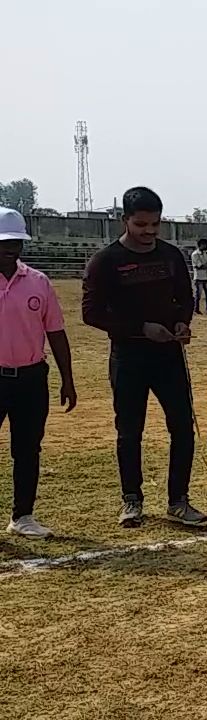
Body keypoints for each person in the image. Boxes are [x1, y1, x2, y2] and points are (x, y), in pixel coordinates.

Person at [82, 187, 207, 527]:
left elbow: (185, 296)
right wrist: (140, 328)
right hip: (129, 358)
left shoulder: (170, 256)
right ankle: (132, 500)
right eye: (141, 225)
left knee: (182, 427)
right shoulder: (105, 262)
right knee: (129, 431)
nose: (149, 232)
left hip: (169, 356)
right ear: (124, 220)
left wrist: (182, 321)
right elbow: (91, 313)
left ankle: (179, 500)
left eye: (155, 224)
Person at [0, 208, 76, 538]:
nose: (11, 249)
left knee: (28, 449)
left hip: (31, 379)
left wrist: (67, 379)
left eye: (16, 242)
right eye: (4, 243)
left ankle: (23, 516)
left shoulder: (38, 282)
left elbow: (56, 332)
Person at [190, 238, 207, 315]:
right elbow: (199, 266)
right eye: (204, 244)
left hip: (206, 277)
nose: (206, 246)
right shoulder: (195, 254)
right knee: (198, 295)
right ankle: (196, 309)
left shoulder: (204, 253)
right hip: (199, 277)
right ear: (200, 245)